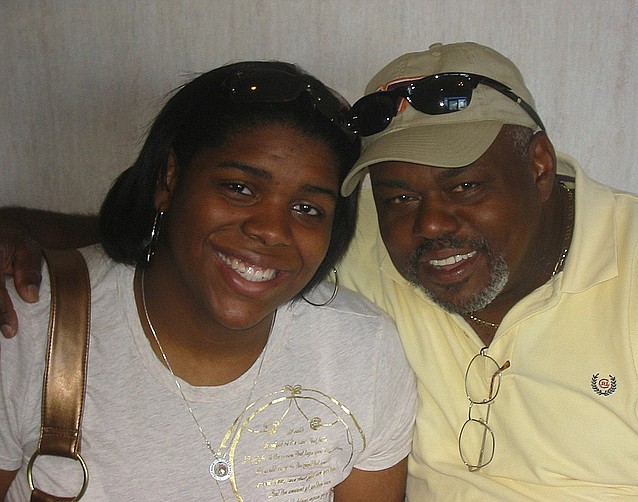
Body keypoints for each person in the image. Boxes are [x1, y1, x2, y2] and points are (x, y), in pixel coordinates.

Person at [2, 41, 638, 500]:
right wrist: (20, 234)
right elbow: (227, 246)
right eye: (399, 196)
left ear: (539, 166)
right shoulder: (380, 251)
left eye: (465, 187)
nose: (431, 225)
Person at [0, 60, 416, 501]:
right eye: (239, 188)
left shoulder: (362, 351)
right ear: (169, 179)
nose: (271, 230)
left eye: (307, 209)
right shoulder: (27, 327)